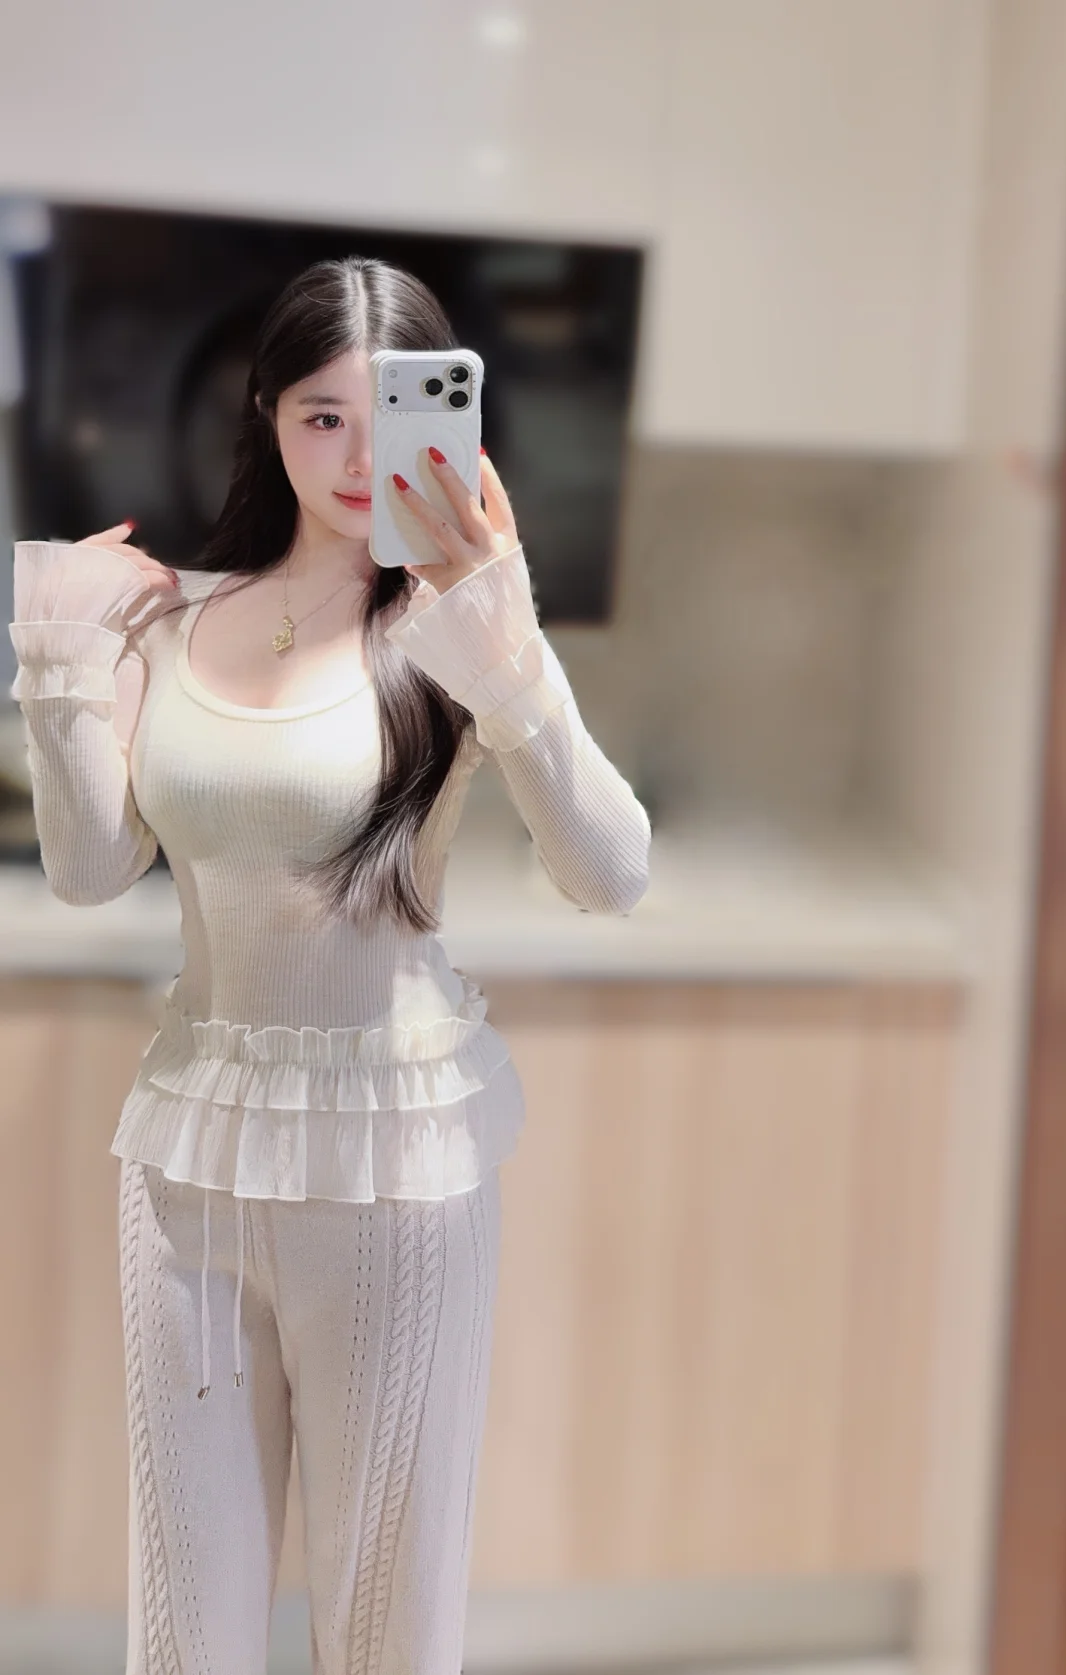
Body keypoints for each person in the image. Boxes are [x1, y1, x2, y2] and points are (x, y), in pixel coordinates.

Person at [7, 255, 651, 1675]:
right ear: (265, 416)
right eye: (322, 419)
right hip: (188, 1172)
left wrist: (511, 645)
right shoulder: (172, 621)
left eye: (391, 418)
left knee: (385, 1630)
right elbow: (90, 867)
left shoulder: (454, 632)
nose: (361, 462)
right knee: (184, 1630)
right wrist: (56, 655)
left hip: (397, 1168)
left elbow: (612, 869)